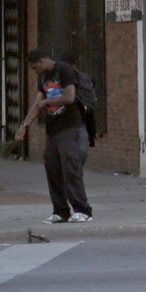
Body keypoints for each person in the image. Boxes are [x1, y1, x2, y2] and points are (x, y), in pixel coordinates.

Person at [17, 50, 94, 223]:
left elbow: (69, 97)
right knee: (53, 170)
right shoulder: (44, 78)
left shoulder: (64, 70)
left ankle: (83, 210)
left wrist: (47, 102)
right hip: (53, 130)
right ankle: (60, 211)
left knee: (70, 169)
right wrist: (24, 125)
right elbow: (37, 105)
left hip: (71, 127)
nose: (34, 70)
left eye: (34, 66)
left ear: (42, 60)